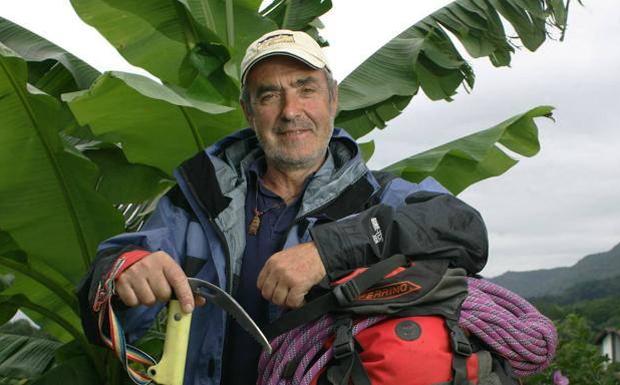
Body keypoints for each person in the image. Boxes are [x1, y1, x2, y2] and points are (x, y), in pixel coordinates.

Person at [78, 29, 488, 385]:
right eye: (269, 95)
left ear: (333, 99)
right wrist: (124, 273)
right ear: (249, 112)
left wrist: (329, 250)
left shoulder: (377, 196)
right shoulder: (198, 202)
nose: (291, 111)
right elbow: (103, 292)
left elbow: (464, 230)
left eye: (305, 88)